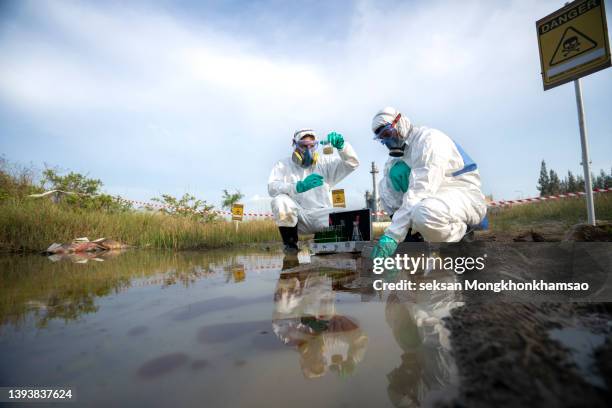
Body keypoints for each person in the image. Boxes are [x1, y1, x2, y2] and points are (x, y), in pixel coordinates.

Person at [370, 107, 487, 259]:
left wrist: (392, 235)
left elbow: (420, 190)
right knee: (387, 183)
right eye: (382, 139)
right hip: (431, 199)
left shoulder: (428, 141)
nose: (387, 142)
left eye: (387, 134)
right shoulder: (398, 158)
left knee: (424, 214)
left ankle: (461, 239)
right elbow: (395, 195)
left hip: (462, 193)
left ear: (399, 122)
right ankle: (415, 241)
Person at [268, 129, 359, 252]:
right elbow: (272, 187)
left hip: (321, 215)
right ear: (294, 144)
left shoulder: (325, 163)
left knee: (352, 216)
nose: (308, 150)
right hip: (297, 219)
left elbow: (351, 164)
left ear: (317, 145)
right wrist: (296, 187)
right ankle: (290, 246)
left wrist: (342, 147)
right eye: (303, 146)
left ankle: (324, 244)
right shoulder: (283, 165)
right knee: (280, 200)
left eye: (312, 146)